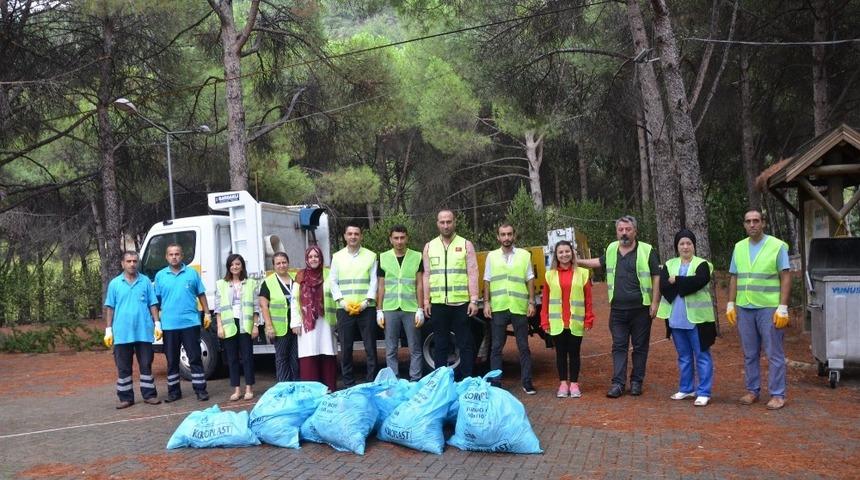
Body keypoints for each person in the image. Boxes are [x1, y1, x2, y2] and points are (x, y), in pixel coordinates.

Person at [578, 215, 660, 398]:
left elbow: (656, 275)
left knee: (640, 347)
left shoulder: (647, 250)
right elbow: (599, 262)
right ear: (617, 231)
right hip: (617, 310)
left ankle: (637, 382)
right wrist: (578, 262)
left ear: (635, 231)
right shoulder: (612, 248)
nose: (624, 233)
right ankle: (618, 383)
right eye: (621, 230)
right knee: (619, 346)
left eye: (628, 229)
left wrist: (655, 302)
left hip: (641, 309)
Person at [726, 209, 791, 410]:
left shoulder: (777, 246)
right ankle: (752, 390)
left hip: (768, 307)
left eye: (756, 221)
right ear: (744, 225)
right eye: (748, 221)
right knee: (750, 353)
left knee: (774, 353)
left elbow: (786, 276)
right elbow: (734, 276)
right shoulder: (739, 247)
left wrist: (783, 306)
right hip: (745, 307)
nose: (752, 224)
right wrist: (730, 303)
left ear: (763, 223)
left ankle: (778, 394)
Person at [657, 229, 716, 407]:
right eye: (681, 243)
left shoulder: (703, 264)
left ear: (694, 245)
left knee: (702, 355)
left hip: (698, 321)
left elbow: (699, 281)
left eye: (688, 243)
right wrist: (682, 282)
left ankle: (704, 391)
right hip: (676, 320)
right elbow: (664, 286)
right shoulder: (669, 263)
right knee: (683, 356)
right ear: (677, 246)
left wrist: (677, 281)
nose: (685, 246)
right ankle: (686, 388)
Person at [423, 209, 480, 379]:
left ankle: (467, 379)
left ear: (454, 222)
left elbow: (473, 272)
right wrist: (426, 300)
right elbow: (427, 274)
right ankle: (441, 381)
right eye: (442, 222)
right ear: (437, 224)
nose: (446, 225)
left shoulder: (465, 244)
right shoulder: (429, 246)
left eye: (449, 221)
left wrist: (474, 300)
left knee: (465, 344)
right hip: (439, 304)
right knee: (440, 344)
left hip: (461, 304)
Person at [103, 251, 162, 409]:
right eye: (128, 261)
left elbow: (153, 304)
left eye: (135, 261)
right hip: (122, 333)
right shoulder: (115, 284)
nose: (132, 264)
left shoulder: (145, 282)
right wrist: (108, 329)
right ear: (122, 264)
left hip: (143, 331)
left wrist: (157, 324)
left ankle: (149, 395)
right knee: (123, 367)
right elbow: (110, 307)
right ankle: (125, 398)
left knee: (146, 364)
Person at [483, 223, 536, 394]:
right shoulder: (491, 256)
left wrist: (531, 302)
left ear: (514, 235)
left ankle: (527, 382)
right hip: (499, 307)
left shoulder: (524, 255)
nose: (506, 237)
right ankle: (495, 383)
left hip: (519, 307)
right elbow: (487, 280)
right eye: (503, 234)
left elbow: (530, 279)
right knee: (496, 347)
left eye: (509, 234)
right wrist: (486, 303)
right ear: (498, 237)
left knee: (524, 347)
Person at [154, 243, 211, 402]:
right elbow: (156, 301)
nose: (174, 257)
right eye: (171, 254)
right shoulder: (160, 276)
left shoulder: (192, 274)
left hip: (190, 323)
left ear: (182, 255)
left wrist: (207, 313)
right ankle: (174, 392)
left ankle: (200, 390)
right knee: (172, 360)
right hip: (169, 325)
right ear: (166, 257)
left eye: (177, 254)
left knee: (194, 357)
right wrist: (156, 322)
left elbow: (201, 294)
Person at [541, 240, 595, 398]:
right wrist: (545, 320)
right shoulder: (549, 275)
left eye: (567, 251)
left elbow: (588, 300)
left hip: (575, 322)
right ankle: (563, 384)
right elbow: (545, 301)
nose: (564, 254)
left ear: (572, 253)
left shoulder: (583, 273)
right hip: (557, 323)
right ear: (556, 256)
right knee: (560, 354)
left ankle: (574, 384)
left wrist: (588, 319)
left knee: (574, 354)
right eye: (561, 252)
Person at [330, 223, 378, 386]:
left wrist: (366, 302)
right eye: (350, 234)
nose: (353, 237)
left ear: (361, 236)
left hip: (367, 308)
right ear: (344, 236)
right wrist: (342, 302)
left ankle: (371, 380)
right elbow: (333, 282)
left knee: (370, 347)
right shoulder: (337, 257)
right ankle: (348, 382)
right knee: (346, 347)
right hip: (345, 309)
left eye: (356, 233)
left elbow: (374, 282)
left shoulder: (371, 256)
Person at [376, 225, 425, 381]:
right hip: (390, 308)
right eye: (396, 238)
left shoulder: (417, 256)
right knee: (390, 348)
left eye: (402, 237)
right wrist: (379, 310)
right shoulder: (383, 257)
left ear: (407, 238)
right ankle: (393, 380)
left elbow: (419, 284)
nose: (399, 241)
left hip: (411, 308)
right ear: (391, 239)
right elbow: (381, 286)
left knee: (415, 347)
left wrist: (420, 308)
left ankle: (415, 379)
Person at [292, 245, 338, 392]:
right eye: (310, 257)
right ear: (307, 259)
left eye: (316, 256)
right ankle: (312, 391)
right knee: (309, 352)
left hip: (326, 320)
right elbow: (294, 300)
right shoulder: (300, 276)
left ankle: (329, 387)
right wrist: (295, 322)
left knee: (327, 350)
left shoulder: (328, 274)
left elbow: (336, 295)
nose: (313, 259)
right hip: (307, 322)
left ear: (321, 258)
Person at [214, 254, 258, 401]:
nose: (235, 267)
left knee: (247, 358)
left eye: (238, 264)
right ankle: (237, 389)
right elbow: (218, 308)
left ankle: (249, 388)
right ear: (228, 267)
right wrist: (220, 326)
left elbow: (256, 307)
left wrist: (255, 326)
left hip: (246, 324)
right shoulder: (221, 284)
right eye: (232, 264)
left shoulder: (251, 283)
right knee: (232, 358)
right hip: (229, 325)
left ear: (242, 266)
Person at [259, 252, 299, 382]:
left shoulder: (296, 279)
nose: (282, 265)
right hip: (279, 328)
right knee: (282, 358)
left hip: (296, 326)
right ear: (274, 266)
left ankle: (296, 384)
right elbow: (264, 306)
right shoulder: (268, 282)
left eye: (284, 262)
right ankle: (284, 386)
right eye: (278, 263)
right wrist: (269, 326)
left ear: (288, 263)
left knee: (296, 358)